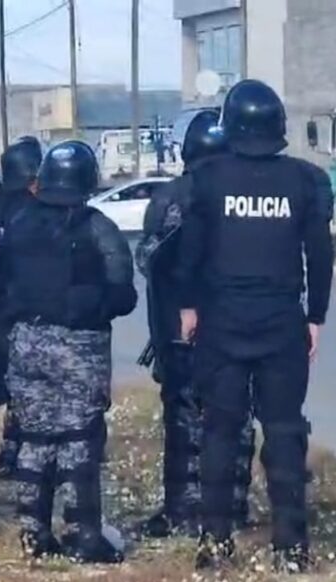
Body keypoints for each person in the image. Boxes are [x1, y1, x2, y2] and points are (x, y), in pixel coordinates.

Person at [175, 79, 334, 573]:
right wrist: (316, 317)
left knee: (220, 432)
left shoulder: (207, 179)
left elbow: (190, 252)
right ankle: (291, 547)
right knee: (285, 433)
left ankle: (216, 542)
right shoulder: (304, 181)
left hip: (221, 323)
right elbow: (320, 254)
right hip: (282, 322)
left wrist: (187, 307)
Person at [1, 140, 137, 562]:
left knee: (34, 436)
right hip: (80, 345)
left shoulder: (19, 222)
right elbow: (123, 295)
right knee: (79, 438)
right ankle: (82, 534)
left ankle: (32, 531)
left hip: (26, 341)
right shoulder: (98, 227)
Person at [136, 109, 257, 538]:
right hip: (236, 326)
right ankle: (233, 506)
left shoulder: (171, 196)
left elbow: (149, 259)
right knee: (235, 418)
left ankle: (184, 510)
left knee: (185, 421)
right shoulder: (245, 191)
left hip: (179, 331)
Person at [0, 136, 44, 481]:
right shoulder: (28, 211)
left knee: (19, 388)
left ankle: (11, 453)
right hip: (21, 308)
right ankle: (19, 455)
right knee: (31, 387)